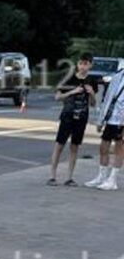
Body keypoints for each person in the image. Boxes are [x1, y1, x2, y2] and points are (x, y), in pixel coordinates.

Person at [50, 53, 98, 186]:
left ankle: (69, 178)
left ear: (90, 65)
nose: (83, 66)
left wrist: (92, 93)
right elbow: (57, 97)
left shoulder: (92, 81)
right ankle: (52, 176)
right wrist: (72, 91)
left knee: (75, 147)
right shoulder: (69, 78)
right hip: (67, 116)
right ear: (77, 64)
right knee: (59, 144)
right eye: (81, 63)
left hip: (81, 118)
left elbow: (93, 104)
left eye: (86, 64)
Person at [86, 64, 124, 191]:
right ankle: (101, 176)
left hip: (121, 119)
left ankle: (112, 180)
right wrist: (101, 120)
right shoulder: (117, 76)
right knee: (103, 147)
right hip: (111, 117)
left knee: (119, 148)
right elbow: (107, 98)